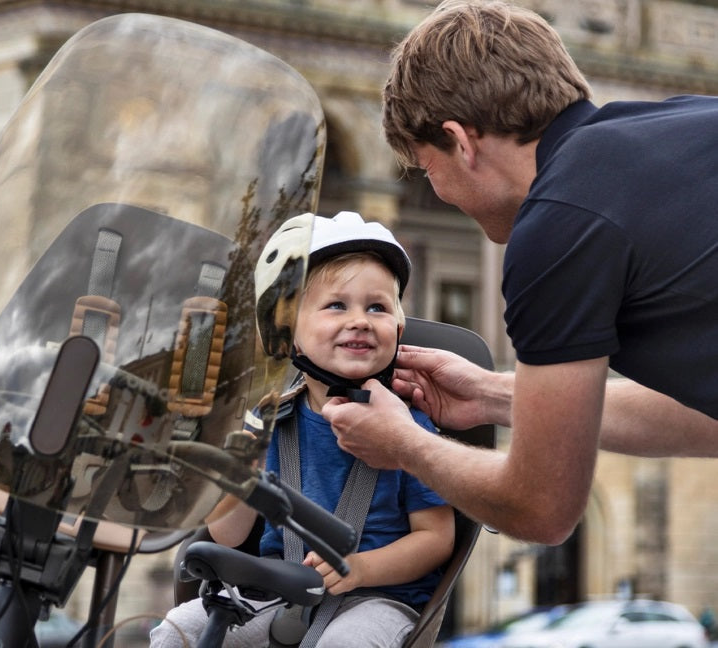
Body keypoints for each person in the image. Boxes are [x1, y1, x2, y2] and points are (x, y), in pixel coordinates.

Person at [322, 0, 718, 546]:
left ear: (460, 142)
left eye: (427, 168)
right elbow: (707, 418)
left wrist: (405, 445)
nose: (435, 191)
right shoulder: (688, 119)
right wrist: (496, 396)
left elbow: (541, 508)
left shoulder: (557, 224)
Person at [150, 211, 455, 648]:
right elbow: (227, 536)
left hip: (375, 598)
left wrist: (361, 568)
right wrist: (242, 472)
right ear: (288, 333)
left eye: (378, 307)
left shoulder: (408, 428)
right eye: (336, 305)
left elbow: (437, 538)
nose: (360, 320)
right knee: (180, 630)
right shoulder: (268, 423)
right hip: (276, 594)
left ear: (399, 328)